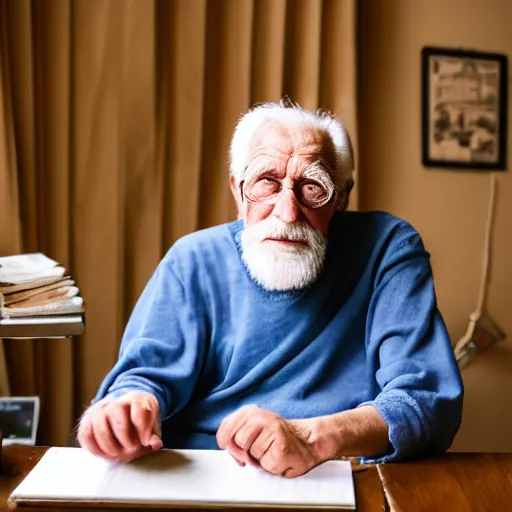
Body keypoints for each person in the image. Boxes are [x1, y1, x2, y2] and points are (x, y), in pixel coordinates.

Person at [78, 98, 463, 478]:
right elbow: (143, 377)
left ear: (341, 198)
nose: (287, 211)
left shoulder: (387, 248)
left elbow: (426, 400)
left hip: (333, 471)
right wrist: (129, 409)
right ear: (238, 189)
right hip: (201, 472)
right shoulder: (192, 259)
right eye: (267, 182)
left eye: (313, 187)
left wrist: (311, 437)